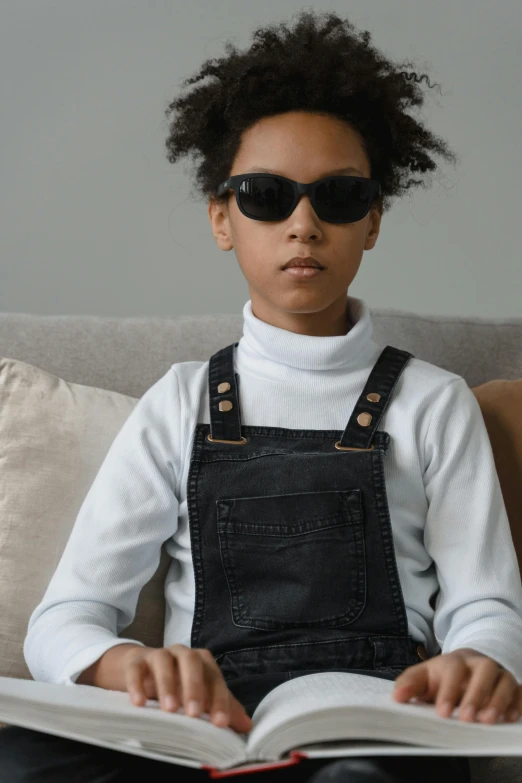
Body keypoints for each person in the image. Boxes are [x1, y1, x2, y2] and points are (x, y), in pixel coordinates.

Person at [2, 9, 521, 783]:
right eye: (267, 195)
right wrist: (124, 667)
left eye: (339, 196)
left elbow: (487, 606)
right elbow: (64, 619)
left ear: (374, 218)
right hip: (203, 731)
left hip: (375, 727)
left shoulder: (434, 402)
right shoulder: (179, 402)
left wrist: (480, 660)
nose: (304, 224)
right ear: (222, 217)